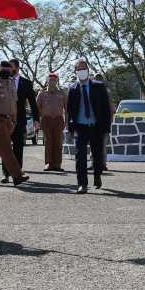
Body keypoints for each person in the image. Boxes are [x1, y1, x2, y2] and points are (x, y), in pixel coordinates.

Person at [66, 61, 112, 193]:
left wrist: (106, 128)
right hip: (80, 127)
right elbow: (70, 110)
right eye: (78, 69)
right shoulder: (72, 88)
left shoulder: (98, 86)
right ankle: (82, 183)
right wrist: (70, 128)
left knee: (97, 156)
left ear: (88, 69)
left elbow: (105, 108)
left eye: (83, 69)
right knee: (80, 155)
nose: (81, 71)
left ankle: (97, 176)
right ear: (75, 72)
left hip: (96, 127)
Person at [1, 58, 40, 183]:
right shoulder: (2, 81)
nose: (9, 70)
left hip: (20, 119)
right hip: (5, 118)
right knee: (6, 147)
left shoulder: (26, 83)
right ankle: (5, 173)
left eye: (11, 68)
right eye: (7, 68)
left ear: (18, 68)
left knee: (18, 146)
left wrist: (36, 119)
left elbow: (33, 103)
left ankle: (18, 173)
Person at [38, 72, 67, 171]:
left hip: (58, 119)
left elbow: (67, 108)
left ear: (57, 81)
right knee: (48, 142)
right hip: (46, 119)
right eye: (50, 79)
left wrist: (66, 121)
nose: (52, 81)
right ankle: (49, 164)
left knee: (58, 142)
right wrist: (38, 121)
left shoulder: (62, 93)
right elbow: (37, 108)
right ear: (47, 80)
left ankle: (57, 165)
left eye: (54, 80)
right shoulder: (42, 93)